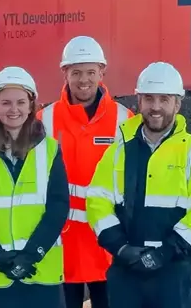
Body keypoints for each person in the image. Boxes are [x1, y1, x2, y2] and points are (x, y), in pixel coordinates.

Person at [86, 62, 191, 308]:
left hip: (173, 272)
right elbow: (97, 202)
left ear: (177, 104)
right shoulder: (117, 152)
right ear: (139, 101)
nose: (155, 107)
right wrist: (121, 247)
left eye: (164, 99)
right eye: (149, 98)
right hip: (126, 271)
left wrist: (164, 253)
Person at [0, 66, 69, 307]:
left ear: (31, 106)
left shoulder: (50, 151)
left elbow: (58, 208)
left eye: (21, 102)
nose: (14, 109)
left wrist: (31, 256)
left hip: (41, 274)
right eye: (6, 103)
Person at [37, 36, 132, 308]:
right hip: (61, 246)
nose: (84, 80)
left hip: (109, 245)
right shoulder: (45, 121)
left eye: (91, 72)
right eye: (76, 72)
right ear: (64, 73)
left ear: (102, 72)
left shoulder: (125, 121)